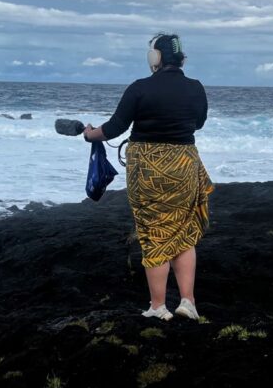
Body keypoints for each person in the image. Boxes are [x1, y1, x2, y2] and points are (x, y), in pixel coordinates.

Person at [84, 33, 213, 322]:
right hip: (184, 165)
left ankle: (158, 307)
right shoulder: (196, 88)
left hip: (148, 169)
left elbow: (114, 128)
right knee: (184, 231)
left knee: (154, 232)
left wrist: (89, 134)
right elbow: (199, 123)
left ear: (155, 57)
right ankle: (188, 302)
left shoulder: (140, 88)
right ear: (182, 58)